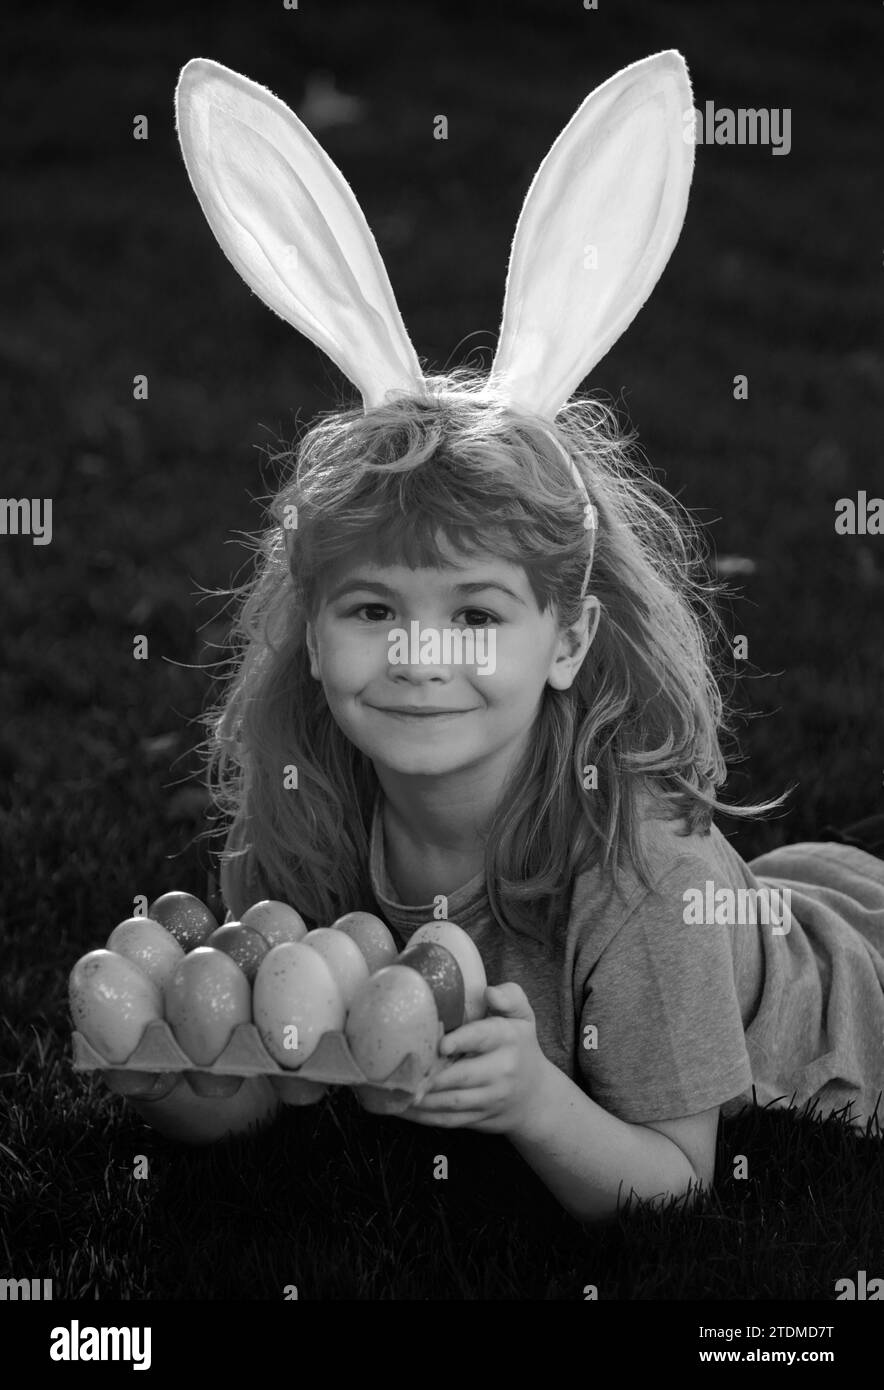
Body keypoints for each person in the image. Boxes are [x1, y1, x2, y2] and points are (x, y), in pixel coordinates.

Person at [125, 53, 884, 1223]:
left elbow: (676, 1181)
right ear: (311, 634)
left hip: (838, 1000)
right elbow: (267, 1081)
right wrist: (180, 1071)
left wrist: (533, 1101)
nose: (423, 656)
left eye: (475, 614)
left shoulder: (642, 892)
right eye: (373, 610)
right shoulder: (302, 822)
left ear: (567, 637)